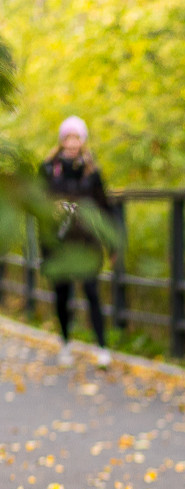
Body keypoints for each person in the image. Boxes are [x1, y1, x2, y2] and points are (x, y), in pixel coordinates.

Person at [39, 116, 117, 368]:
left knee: (93, 292)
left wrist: (113, 244)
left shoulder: (92, 173)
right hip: (59, 243)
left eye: (77, 138)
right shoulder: (48, 169)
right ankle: (65, 343)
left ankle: (102, 348)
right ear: (61, 141)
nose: (72, 143)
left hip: (87, 242)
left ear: (82, 141)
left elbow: (105, 208)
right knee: (62, 295)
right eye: (68, 138)